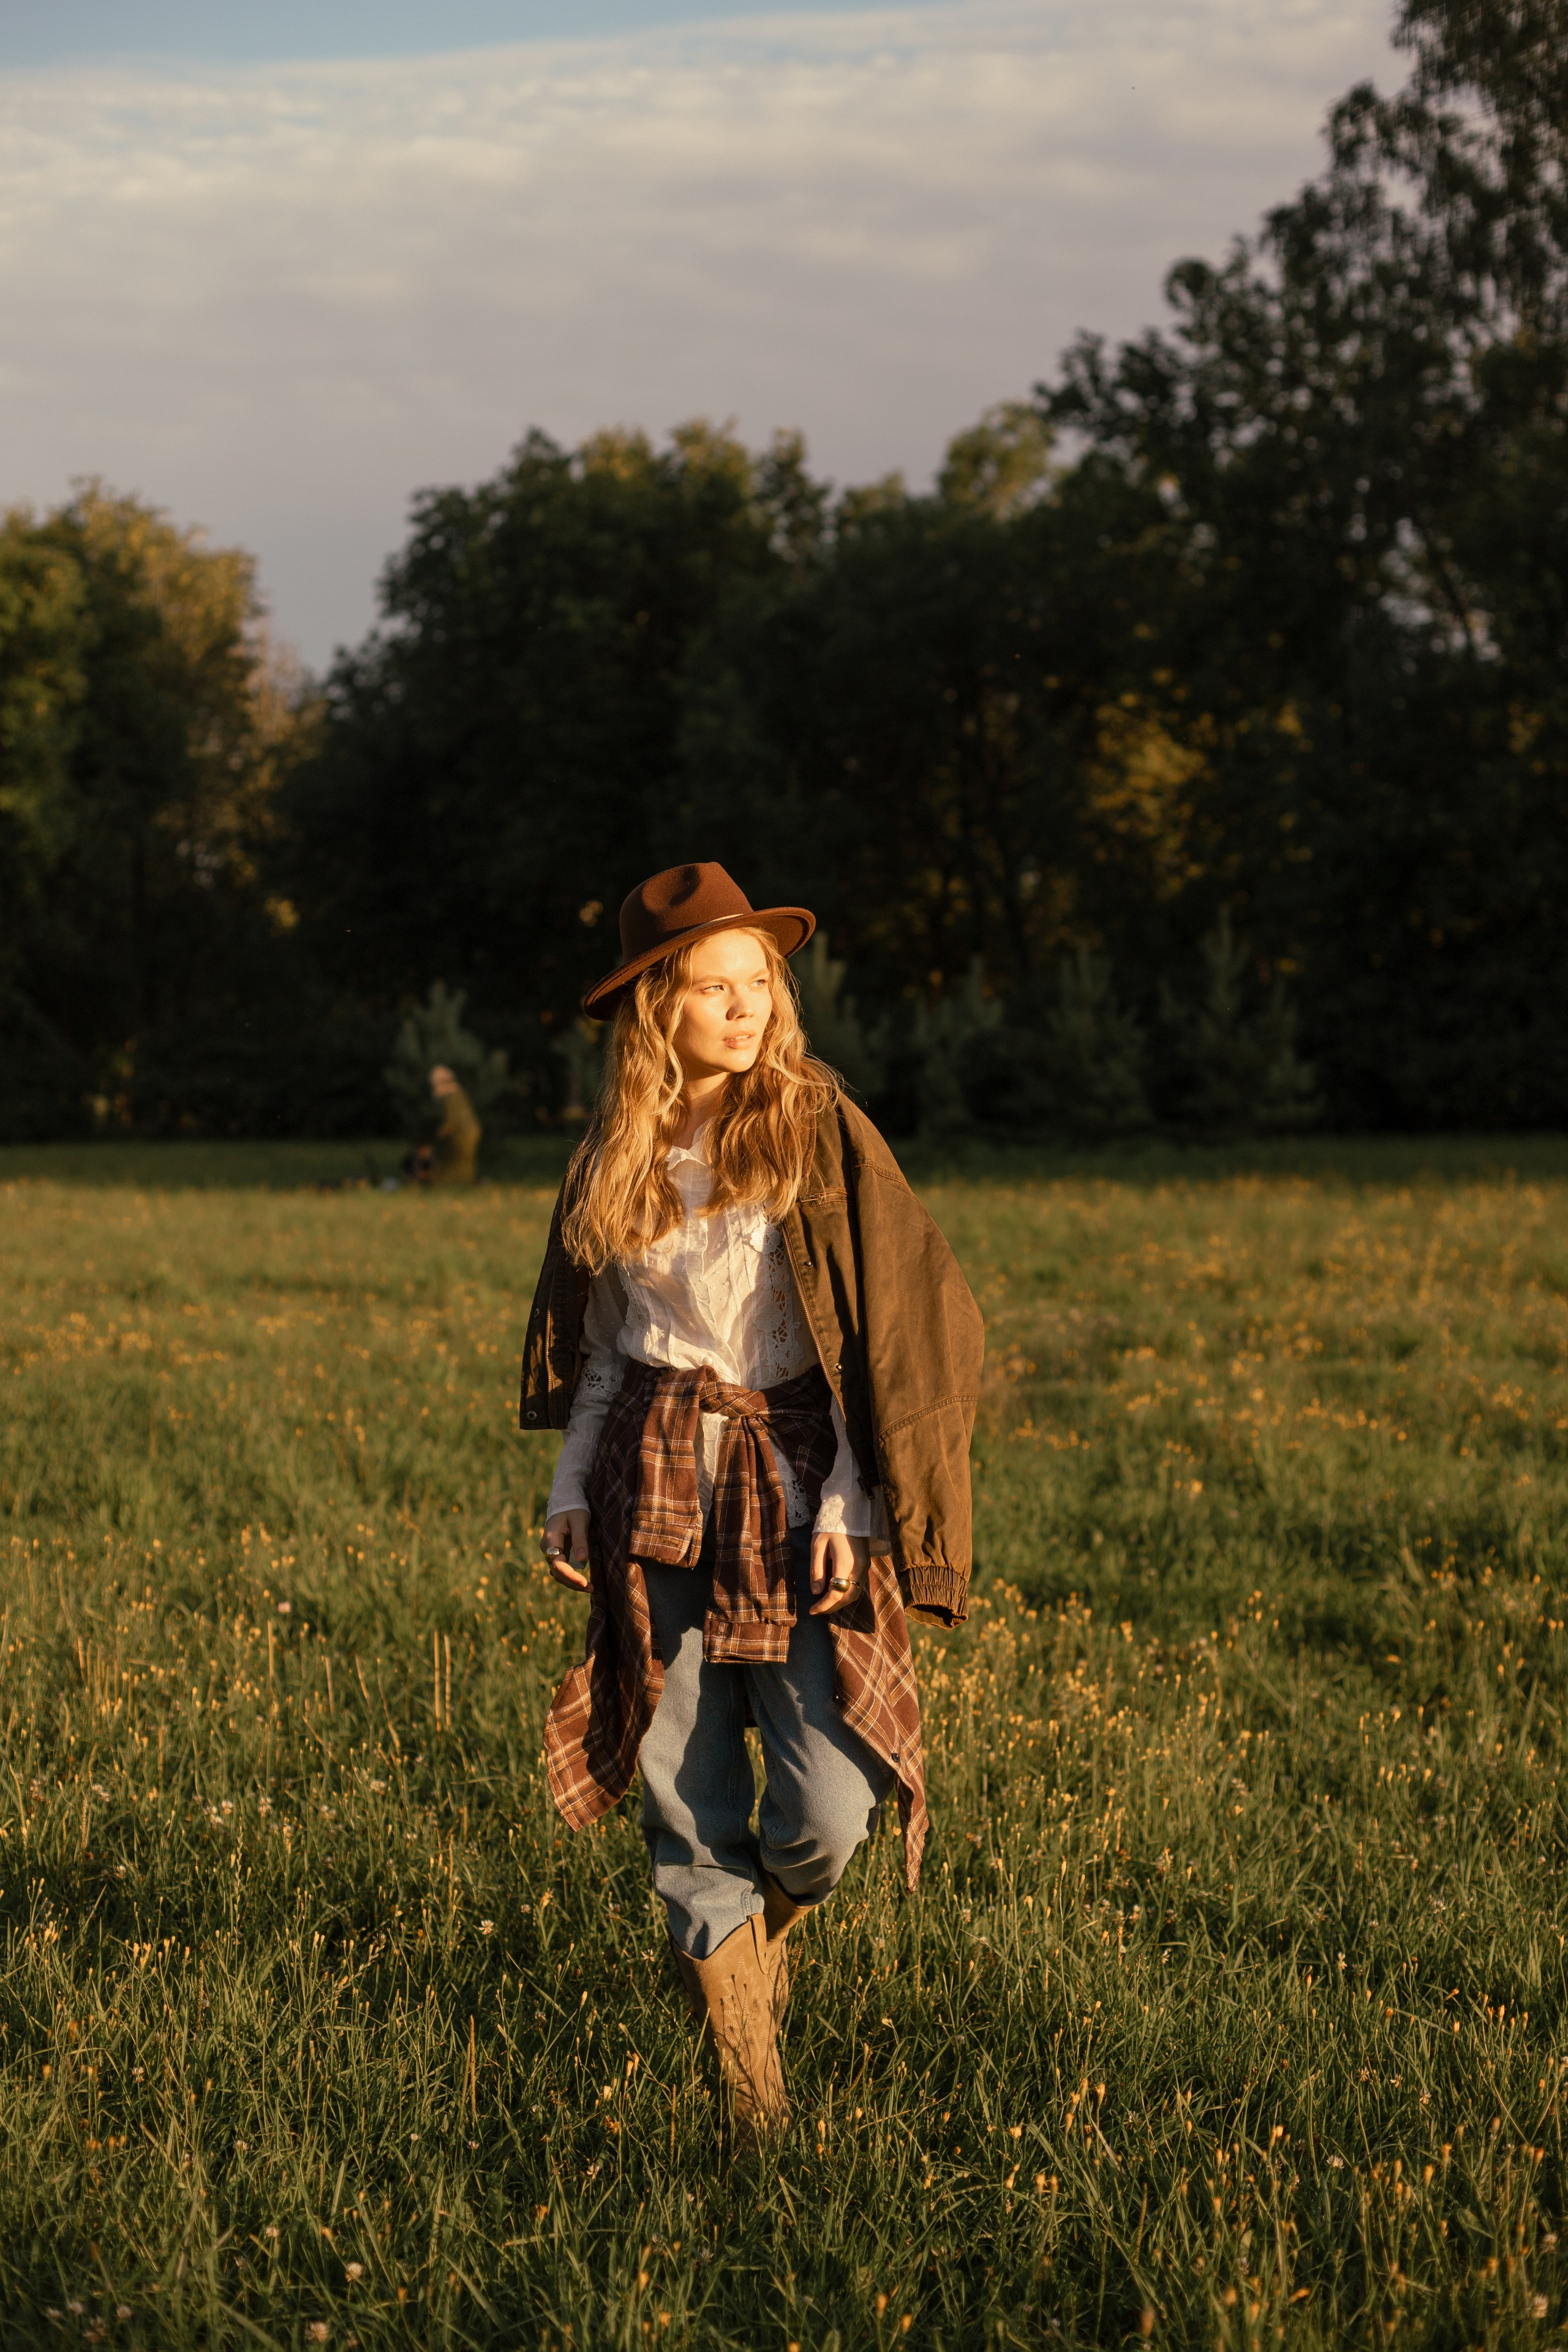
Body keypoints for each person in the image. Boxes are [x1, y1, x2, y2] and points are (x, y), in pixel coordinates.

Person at [519, 862, 984, 2146]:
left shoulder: (815, 1132)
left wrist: (855, 1505)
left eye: (756, 984)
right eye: (713, 988)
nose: (743, 1008)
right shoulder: (613, 1158)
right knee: (683, 1790)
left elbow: (875, 1336)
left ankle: (743, 1950)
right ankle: (751, 2096)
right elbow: (610, 1351)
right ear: (657, 1009)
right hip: (651, 1482)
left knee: (827, 1814)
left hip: (792, 1484)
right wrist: (569, 1489)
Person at [404, 1063, 482, 1186]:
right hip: (472, 1132)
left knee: (453, 1161)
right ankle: (465, 1182)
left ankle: (451, 1183)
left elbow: (450, 1122)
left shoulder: (449, 1096)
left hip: (462, 1135)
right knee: (464, 1162)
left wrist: (438, 1139)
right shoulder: (458, 1092)